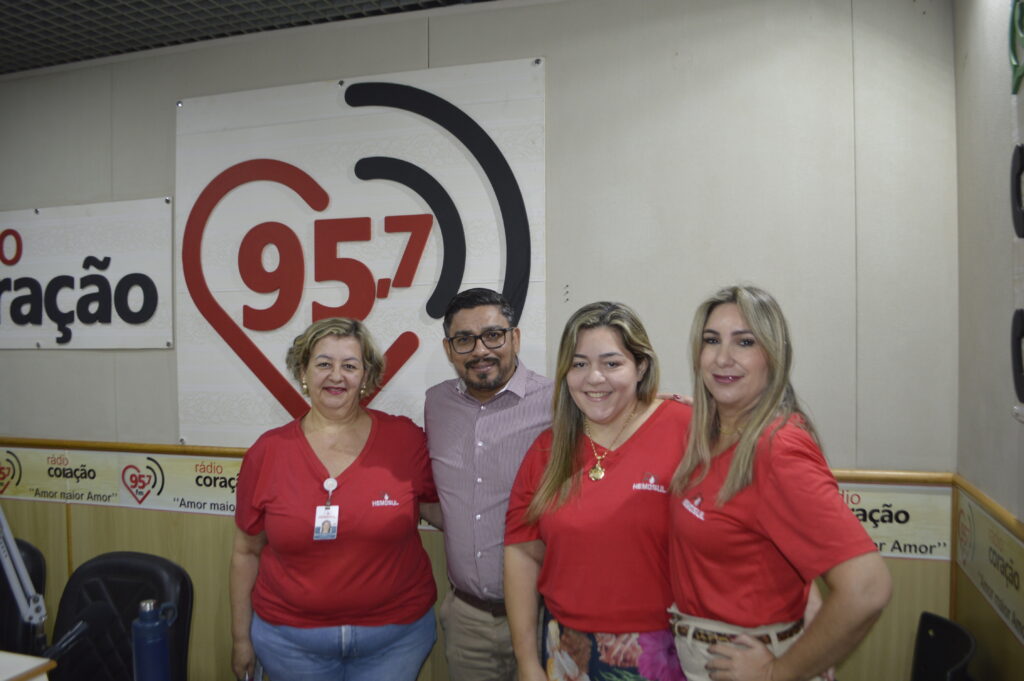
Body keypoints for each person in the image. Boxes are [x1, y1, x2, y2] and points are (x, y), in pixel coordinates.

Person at [668, 285, 891, 681]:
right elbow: (786, 546)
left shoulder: (777, 450)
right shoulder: (714, 434)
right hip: (704, 655)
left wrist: (779, 671)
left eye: (745, 342)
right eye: (712, 341)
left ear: (773, 354)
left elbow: (868, 587)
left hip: (744, 662)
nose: (723, 357)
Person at [230, 317, 439, 681]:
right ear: (303, 371)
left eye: (350, 365)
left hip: (395, 641)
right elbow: (245, 551)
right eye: (324, 363)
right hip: (289, 644)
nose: (336, 376)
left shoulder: (405, 440)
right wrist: (239, 638)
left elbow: (444, 510)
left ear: (366, 376)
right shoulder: (267, 452)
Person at [504, 301, 690, 681]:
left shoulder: (687, 428)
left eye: (611, 363)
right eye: (579, 364)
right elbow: (523, 553)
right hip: (564, 645)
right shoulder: (548, 449)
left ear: (641, 366)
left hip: (662, 648)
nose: (594, 378)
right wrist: (527, 662)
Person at [424, 288, 553, 681]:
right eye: (464, 339)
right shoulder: (436, 404)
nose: (481, 349)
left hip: (546, 614)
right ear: (449, 349)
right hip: (468, 620)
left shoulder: (558, 402)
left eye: (493, 335)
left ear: (514, 337)